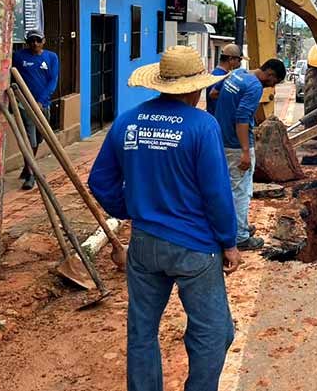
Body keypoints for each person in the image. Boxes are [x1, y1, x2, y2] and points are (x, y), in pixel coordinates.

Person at [87, 46, 240, 391]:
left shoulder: (127, 120)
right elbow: (217, 193)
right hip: (195, 248)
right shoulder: (203, 125)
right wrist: (228, 242)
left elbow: (100, 181)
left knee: (142, 330)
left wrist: (129, 208)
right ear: (195, 88)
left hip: (143, 245)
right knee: (214, 331)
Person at [214, 58, 287, 251]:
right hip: (236, 145)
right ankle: (240, 237)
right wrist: (245, 151)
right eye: (275, 82)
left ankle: (238, 227)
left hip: (222, 139)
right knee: (241, 191)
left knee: (229, 186)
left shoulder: (238, 73)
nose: (272, 86)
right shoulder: (254, 87)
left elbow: (214, 93)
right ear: (270, 74)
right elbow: (242, 118)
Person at [12, 29, 59, 190]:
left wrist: (41, 101)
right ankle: (31, 174)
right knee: (30, 138)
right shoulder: (18, 57)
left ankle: (28, 167)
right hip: (24, 104)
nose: (35, 44)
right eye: (31, 41)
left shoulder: (51, 57)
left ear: (43, 41)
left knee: (39, 138)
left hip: (43, 104)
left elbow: (53, 80)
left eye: (38, 40)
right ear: (27, 42)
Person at [206, 44, 245, 115]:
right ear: (230, 59)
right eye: (239, 60)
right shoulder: (222, 77)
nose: (240, 63)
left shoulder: (214, 73)